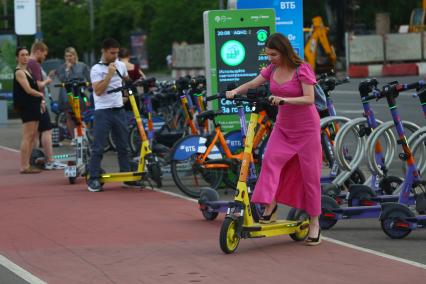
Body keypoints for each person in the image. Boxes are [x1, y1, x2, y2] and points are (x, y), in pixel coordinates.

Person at [226, 33, 322, 246]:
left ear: (284, 51)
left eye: (274, 54)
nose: (270, 58)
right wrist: (234, 91)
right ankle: (270, 205)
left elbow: (309, 98)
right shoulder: (272, 69)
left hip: (307, 130)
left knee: (310, 177)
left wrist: (283, 99)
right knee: (270, 161)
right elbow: (254, 82)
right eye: (268, 54)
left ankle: (314, 223)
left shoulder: (302, 69)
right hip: (283, 128)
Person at [87, 38, 140, 192]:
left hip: (118, 110)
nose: (115, 56)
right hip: (103, 112)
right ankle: (93, 178)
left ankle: (126, 176)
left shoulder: (121, 65)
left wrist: (129, 90)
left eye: (117, 52)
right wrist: (109, 75)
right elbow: (98, 91)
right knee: (99, 147)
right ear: (104, 51)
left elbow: (126, 80)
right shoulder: (96, 69)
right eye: (112, 53)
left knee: (123, 146)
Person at [27, 42, 66, 170]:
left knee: (35, 133)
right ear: (38, 51)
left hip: (32, 102)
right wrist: (49, 80)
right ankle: (50, 160)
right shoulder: (34, 64)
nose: (44, 57)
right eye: (44, 54)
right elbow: (38, 85)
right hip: (39, 101)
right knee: (47, 130)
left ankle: (34, 158)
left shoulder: (27, 63)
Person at [13, 47, 44, 174]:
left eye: (26, 54)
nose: (25, 57)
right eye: (22, 55)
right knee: (27, 136)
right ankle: (23, 166)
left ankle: (28, 164)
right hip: (27, 107)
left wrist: (40, 101)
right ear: (17, 57)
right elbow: (28, 90)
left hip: (34, 105)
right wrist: (41, 96)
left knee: (32, 136)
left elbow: (34, 87)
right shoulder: (19, 72)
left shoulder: (28, 71)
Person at [55, 47, 91, 143]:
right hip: (67, 94)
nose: (68, 58)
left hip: (80, 93)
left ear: (75, 56)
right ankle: (74, 138)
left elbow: (89, 79)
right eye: (66, 56)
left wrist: (87, 87)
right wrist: (67, 70)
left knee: (86, 113)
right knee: (69, 116)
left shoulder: (82, 65)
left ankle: (85, 135)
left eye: (70, 55)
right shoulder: (62, 68)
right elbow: (62, 79)